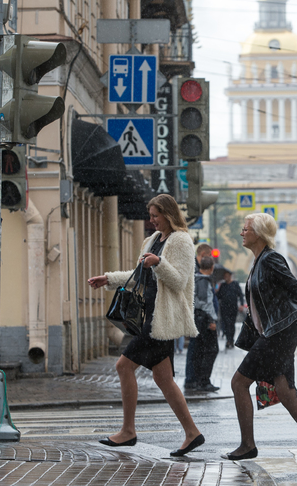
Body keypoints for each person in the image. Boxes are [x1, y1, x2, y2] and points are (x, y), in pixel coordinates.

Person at [222, 213, 297, 466]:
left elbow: (296, 286)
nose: (242, 233)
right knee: (286, 394)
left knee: (238, 383)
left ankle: (247, 445)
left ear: (258, 233)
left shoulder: (271, 259)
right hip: (277, 333)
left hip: (279, 334)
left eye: (246, 229)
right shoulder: (258, 262)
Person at [88, 194, 205, 457]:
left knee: (123, 365)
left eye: (155, 216)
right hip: (148, 316)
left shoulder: (182, 241)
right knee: (163, 379)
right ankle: (192, 433)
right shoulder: (152, 240)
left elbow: (180, 281)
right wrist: (107, 279)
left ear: (168, 214)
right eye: (150, 216)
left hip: (161, 320)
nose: (151, 221)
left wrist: (159, 263)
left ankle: (128, 431)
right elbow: (136, 277)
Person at [184, 244, 218, 390]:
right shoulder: (203, 280)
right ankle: (202, 380)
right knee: (209, 350)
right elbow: (204, 303)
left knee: (196, 349)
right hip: (204, 320)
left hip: (197, 318)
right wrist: (211, 320)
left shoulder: (196, 277)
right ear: (211, 268)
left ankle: (194, 380)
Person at [217, 270, 245, 349]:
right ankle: (228, 340)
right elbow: (219, 296)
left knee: (231, 325)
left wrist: (242, 305)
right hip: (224, 308)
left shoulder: (235, 284)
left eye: (227, 275)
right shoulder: (223, 285)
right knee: (225, 324)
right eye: (224, 276)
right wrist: (217, 290)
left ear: (230, 276)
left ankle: (231, 340)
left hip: (233, 308)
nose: (225, 277)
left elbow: (240, 295)